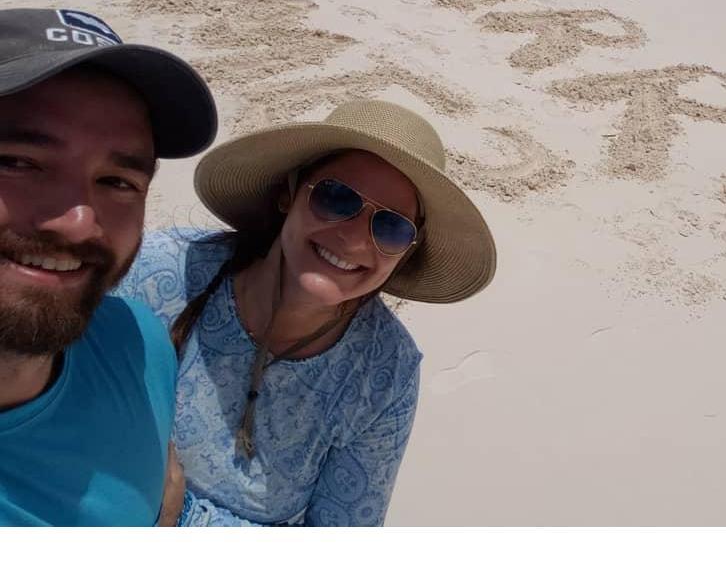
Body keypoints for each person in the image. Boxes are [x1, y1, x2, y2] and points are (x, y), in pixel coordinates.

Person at [118, 98, 496, 526]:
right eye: (338, 199)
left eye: (390, 227)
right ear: (289, 193)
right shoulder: (160, 274)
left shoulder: (384, 374)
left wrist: (177, 515)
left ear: (405, 255)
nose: (353, 240)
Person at [0, 7, 217, 526]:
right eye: (17, 162)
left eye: (119, 181)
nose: (78, 222)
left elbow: (158, 491)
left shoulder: (139, 346)